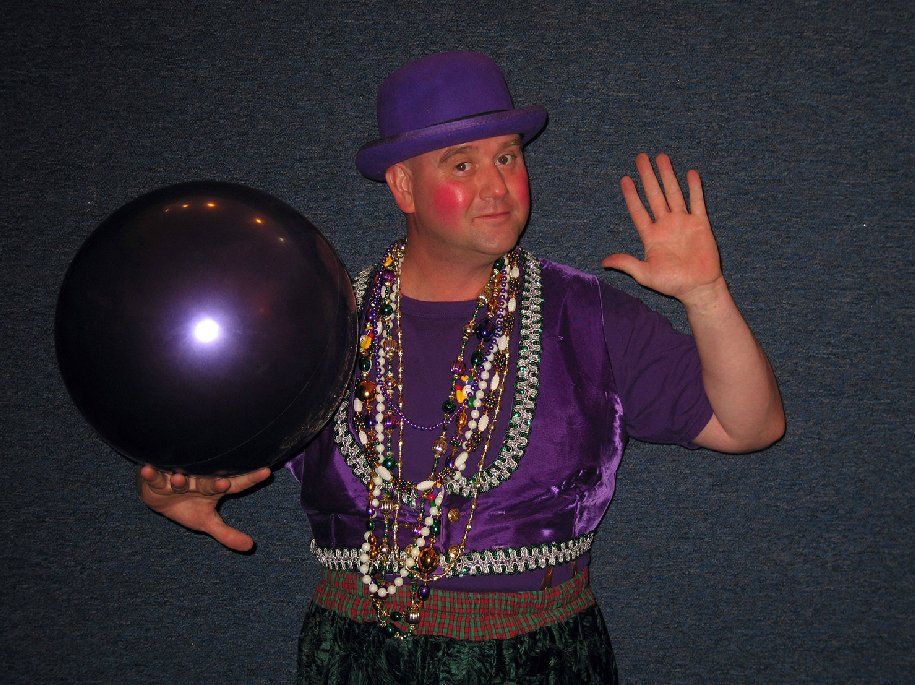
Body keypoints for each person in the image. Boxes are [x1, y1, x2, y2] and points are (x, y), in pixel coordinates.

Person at [138, 51, 784, 684]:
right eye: (462, 163)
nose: (496, 185)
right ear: (402, 186)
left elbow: (747, 426)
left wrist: (706, 294)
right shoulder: (317, 324)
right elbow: (204, 462)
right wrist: (174, 488)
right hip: (355, 659)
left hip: (541, 659)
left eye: (506, 155)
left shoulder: (586, 316)